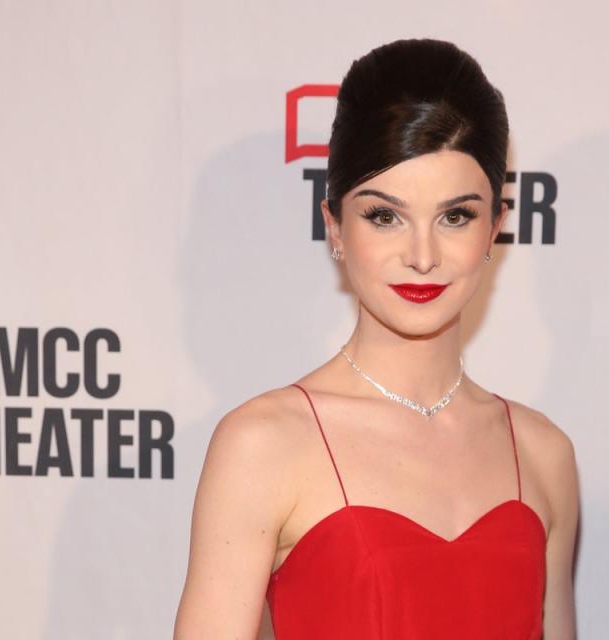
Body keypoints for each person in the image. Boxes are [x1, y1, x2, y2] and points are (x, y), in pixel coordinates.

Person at [174, 38, 579, 639]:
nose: (421, 256)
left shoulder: (544, 455)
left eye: (456, 216)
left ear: (496, 225)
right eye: (384, 215)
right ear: (334, 226)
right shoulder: (263, 444)